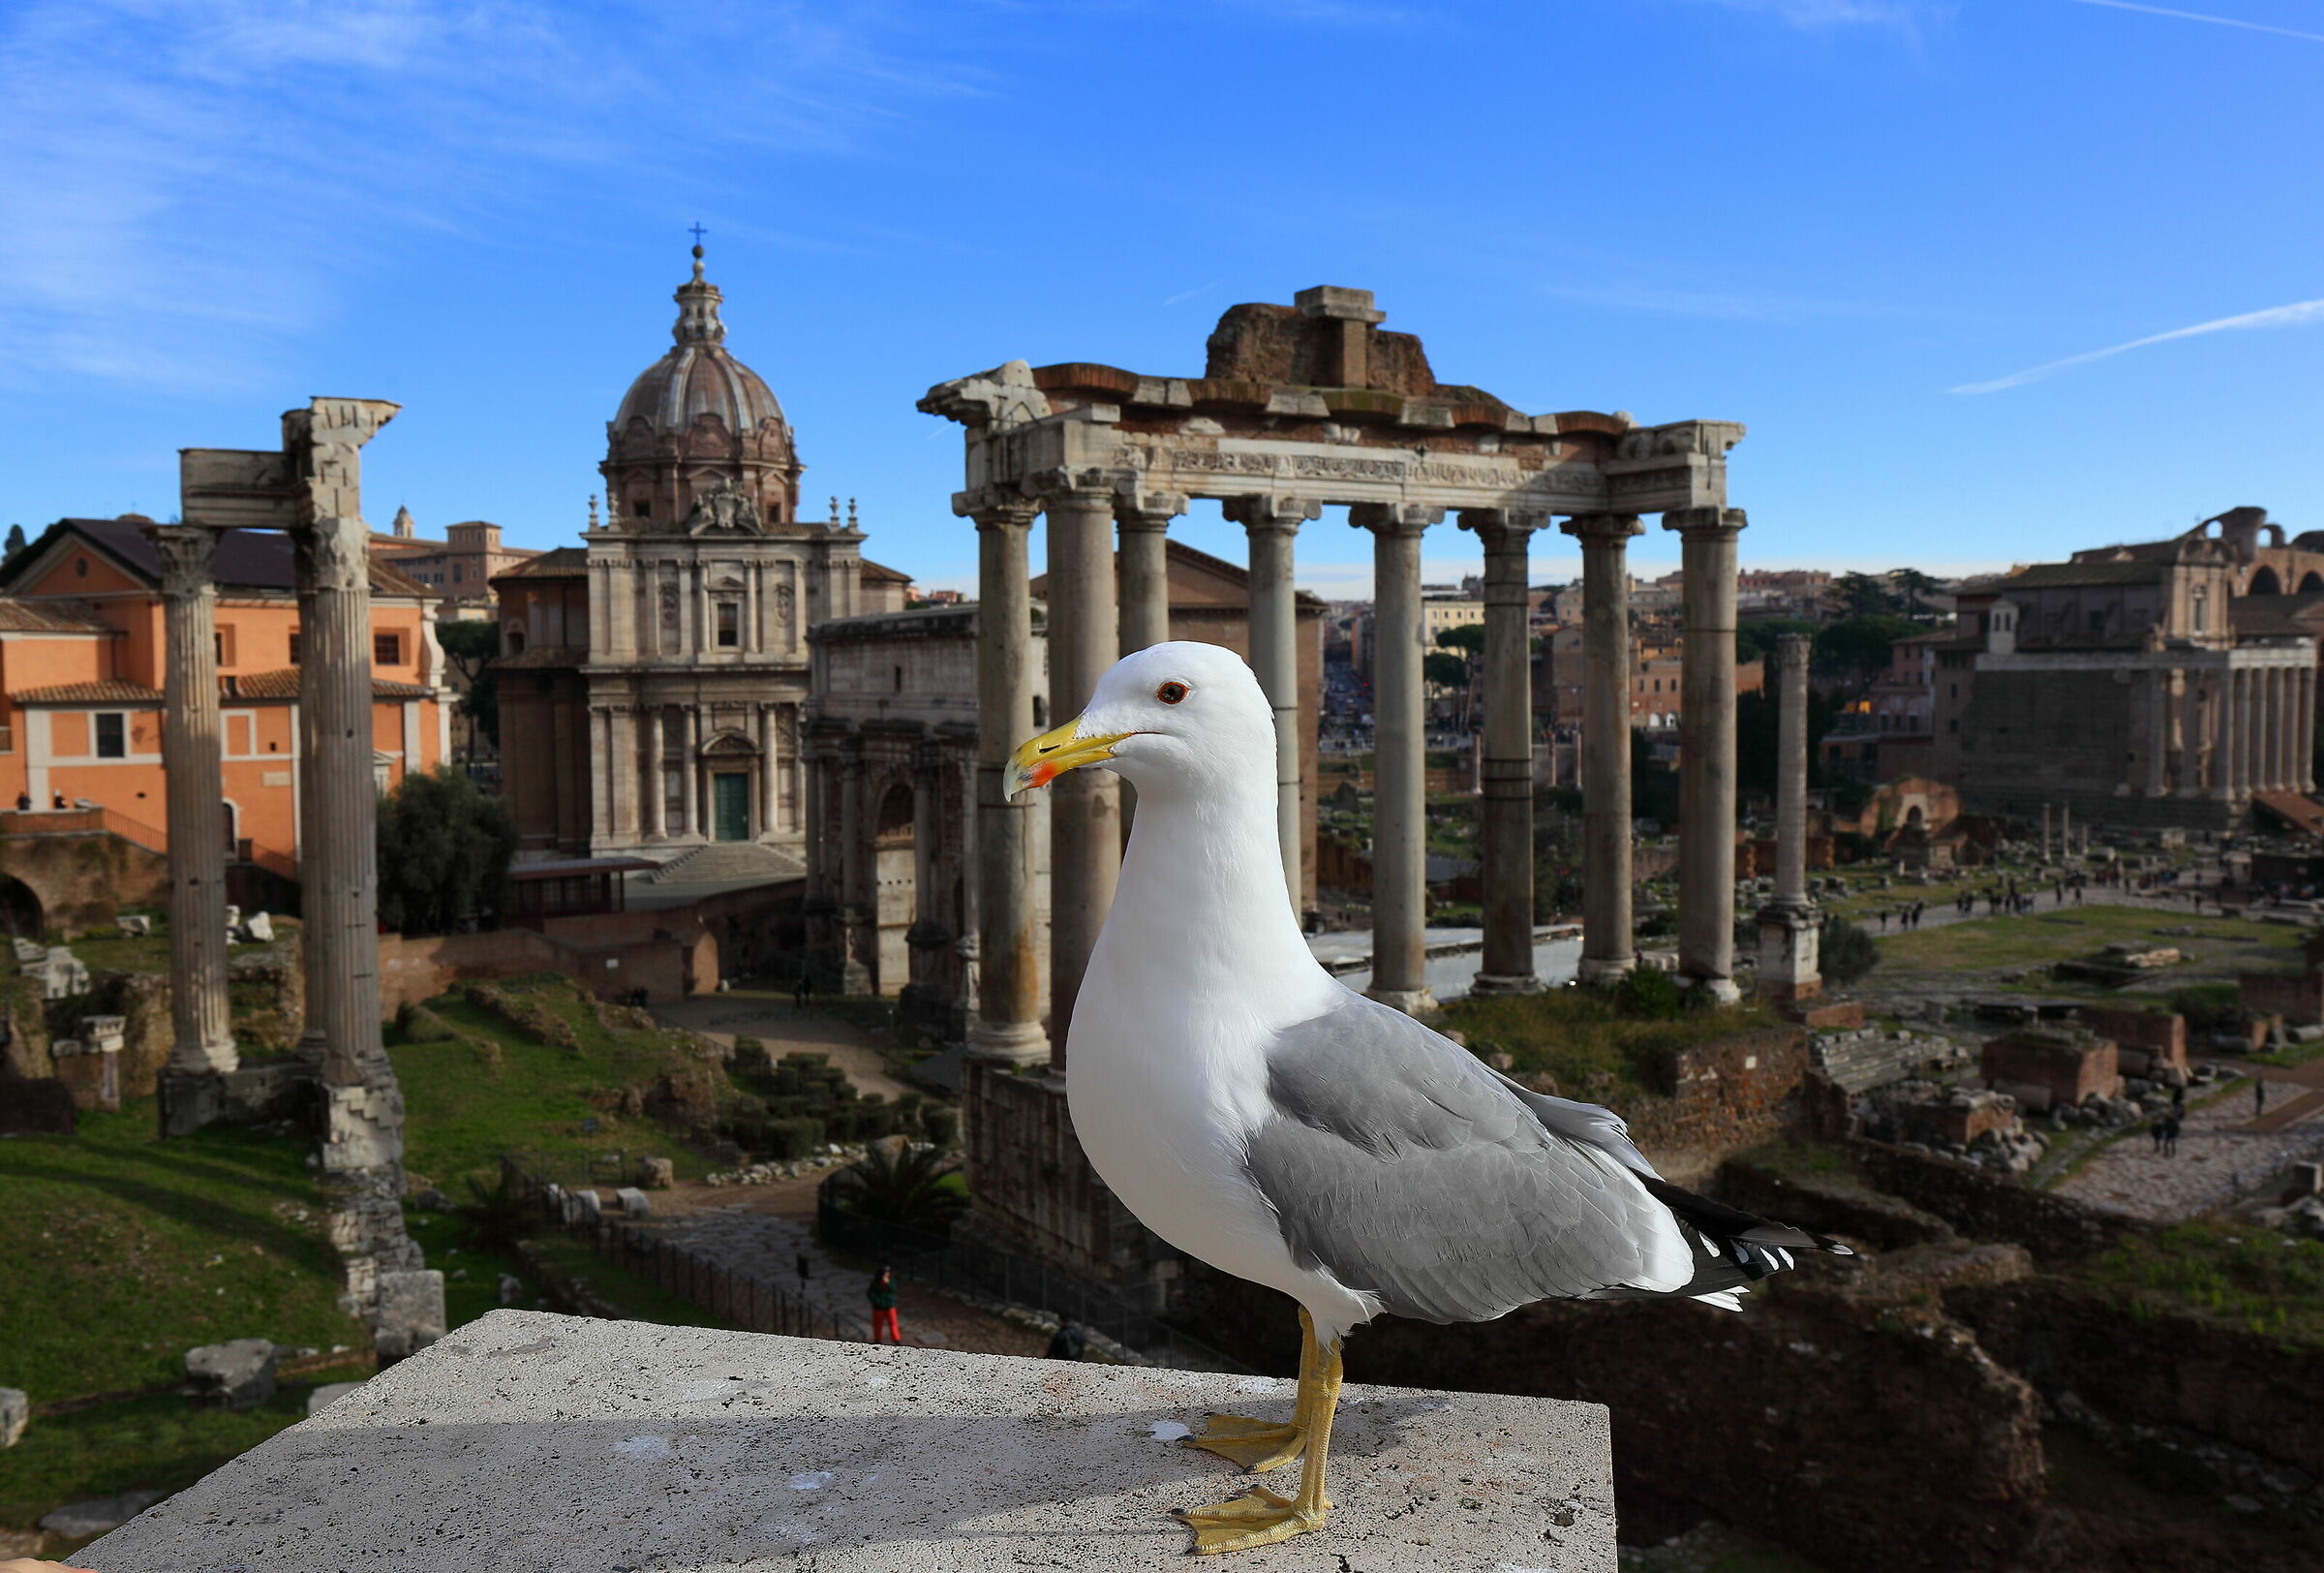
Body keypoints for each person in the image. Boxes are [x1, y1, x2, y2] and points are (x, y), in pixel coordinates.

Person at [867, 1265, 901, 1344]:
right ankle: (877, 1341)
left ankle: (897, 1341)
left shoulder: (891, 1280)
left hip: (889, 1306)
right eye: (885, 1272)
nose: (887, 1274)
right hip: (878, 1307)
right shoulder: (875, 1282)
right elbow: (870, 1293)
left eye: (888, 1272)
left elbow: (893, 1290)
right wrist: (877, 1301)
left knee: (893, 1324)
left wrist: (887, 1283)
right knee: (878, 1325)